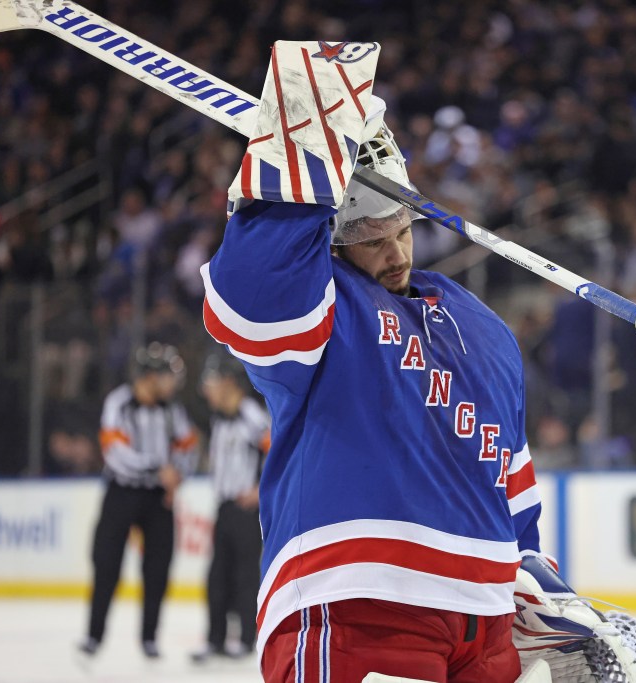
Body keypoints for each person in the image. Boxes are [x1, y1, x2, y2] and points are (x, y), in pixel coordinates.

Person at [200, 50, 544, 683]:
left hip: (486, 626)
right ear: (329, 237)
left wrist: (541, 584)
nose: (395, 256)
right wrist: (305, 153)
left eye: (403, 231)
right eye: (370, 239)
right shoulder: (324, 307)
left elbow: (512, 481)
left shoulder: (484, 326)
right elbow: (249, 298)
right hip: (361, 604)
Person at [79, 342, 196, 659]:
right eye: (167, 376)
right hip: (122, 492)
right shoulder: (119, 402)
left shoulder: (172, 409)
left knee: (158, 568)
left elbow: (189, 446)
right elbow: (115, 454)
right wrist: (161, 470)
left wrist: (177, 475)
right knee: (106, 564)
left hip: (159, 499)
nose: (173, 383)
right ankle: (94, 635)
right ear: (150, 376)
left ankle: (149, 638)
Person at [191, 354, 270, 663]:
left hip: (245, 509)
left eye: (210, 381)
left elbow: (277, 452)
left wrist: (260, 490)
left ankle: (246, 640)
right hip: (224, 506)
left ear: (228, 382)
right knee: (217, 576)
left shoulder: (251, 416)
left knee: (245, 574)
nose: (206, 389)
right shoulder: (220, 417)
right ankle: (216, 639)